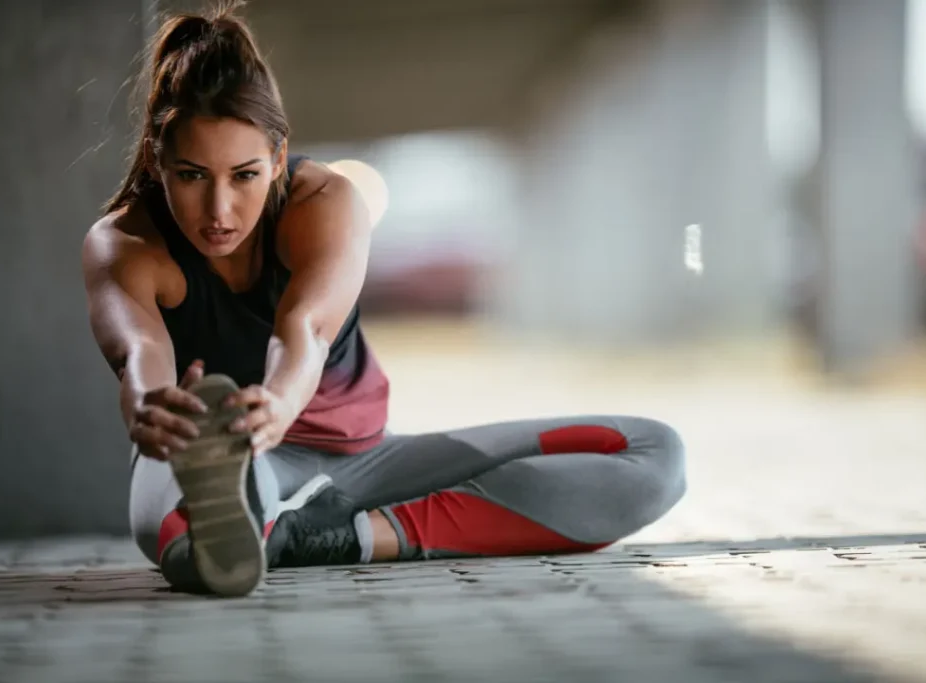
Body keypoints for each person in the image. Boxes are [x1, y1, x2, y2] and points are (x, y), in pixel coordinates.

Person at [82, 4, 687, 597]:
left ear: (276, 155)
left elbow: (306, 330)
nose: (220, 211)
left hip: (371, 461)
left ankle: (339, 536)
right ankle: (255, 521)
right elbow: (139, 351)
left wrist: (278, 401)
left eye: (244, 176)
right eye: (192, 175)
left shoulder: (322, 202)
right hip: (234, 458)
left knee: (652, 456)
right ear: (160, 163)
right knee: (193, 540)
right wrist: (149, 406)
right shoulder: (126, 244)